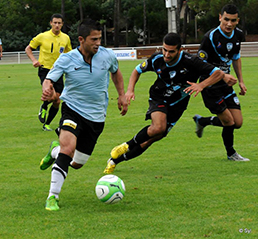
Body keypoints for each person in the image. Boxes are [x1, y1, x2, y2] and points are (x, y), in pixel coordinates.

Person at [103, 32, 236, 174]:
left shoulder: (191, 61)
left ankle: (114, 161)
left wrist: (201, 85)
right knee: (158, 128)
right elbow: (137, 70)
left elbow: (219, 74)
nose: (166, 54)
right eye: (164, 50)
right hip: (159, 97)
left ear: (180, 50)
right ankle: (125, 145)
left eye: (171, 52)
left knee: (151, 139)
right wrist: (130, 90)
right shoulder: (157, 59)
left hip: (178, 105)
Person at [39, 19, 128, 211]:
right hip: (72, 108)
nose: (98, 43)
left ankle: (54, 151)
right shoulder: (67, 59)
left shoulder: (107, 56)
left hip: (96, 117)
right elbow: (49, 80)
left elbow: (116, 73)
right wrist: (47, 90)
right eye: (93, 39)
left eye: (99, 39)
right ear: (81, 39)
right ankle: (52, 197)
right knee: (68, 148)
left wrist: (121, 95)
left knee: (77, 163)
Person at [193, 4, 249, 161]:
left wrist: (241, 81)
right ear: (220, 17)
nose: (229, 24)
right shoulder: (210, 37)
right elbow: (201, 65)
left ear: (237, 20)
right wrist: (223, 75)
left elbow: (236, 58)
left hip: (226, 85)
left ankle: (202, 121)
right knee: (229, 122)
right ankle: (231, 154)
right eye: (226, 20)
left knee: (237, 122)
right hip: (210, 85)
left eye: (233, 20)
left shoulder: (238, 34)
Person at [25, 13, 72, 131]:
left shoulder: (65, 38)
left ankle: (46, 124)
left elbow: (69, 54)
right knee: (51, 96)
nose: (57, 25)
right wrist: (34, 60)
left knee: (57, 100)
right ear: (51, 23)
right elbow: (28, 48)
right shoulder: (42, 36)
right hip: (45, 69)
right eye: (55, 22)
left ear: (62, 24)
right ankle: (44, 106)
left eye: (59, 23)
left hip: (59, 71)